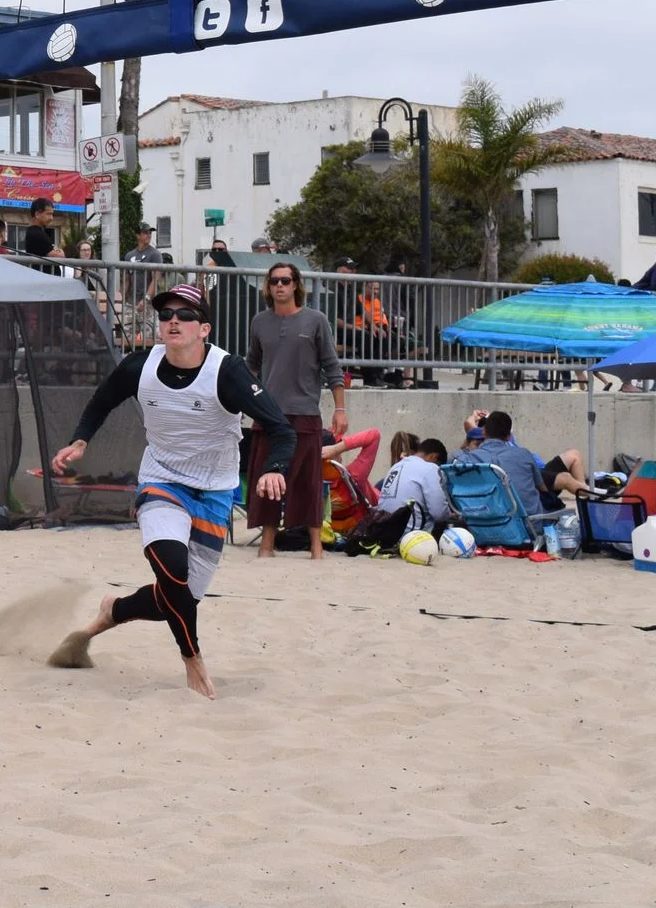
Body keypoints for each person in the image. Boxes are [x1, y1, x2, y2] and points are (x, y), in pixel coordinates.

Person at [51, 282, 296, 699]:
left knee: (176, 599)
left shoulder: (227, 371)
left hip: (215, 491)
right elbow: (101, 401)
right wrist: (80, 440)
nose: (173, 321)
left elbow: (281, 429)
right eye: (166, 315)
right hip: (162, 480)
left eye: (184, 315)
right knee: (171, 566)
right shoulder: (139, 366)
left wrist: (274, 469)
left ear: (205, 328)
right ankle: (192, 659)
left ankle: (110, 613)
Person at [245, 262, 348, 559]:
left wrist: (340, 409)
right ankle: (267, 545)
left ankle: (316, 548)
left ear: (295, 285)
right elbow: (251, 365)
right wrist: (240, 399)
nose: (279, 286)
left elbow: (332, 367)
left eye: (285, 280)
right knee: (267, 480)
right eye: (274, 280)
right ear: (268, 286)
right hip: (268, 414)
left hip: (305, 413)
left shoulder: (315, 320)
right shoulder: (259, 322)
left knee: (308, 481)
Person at [344, 435, 452, 553]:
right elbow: (439, 513)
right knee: (449, 524)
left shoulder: (396, 466)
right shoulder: (430, 468)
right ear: (434, 457)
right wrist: (449, 515)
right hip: (410, 538)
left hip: (384, 533)